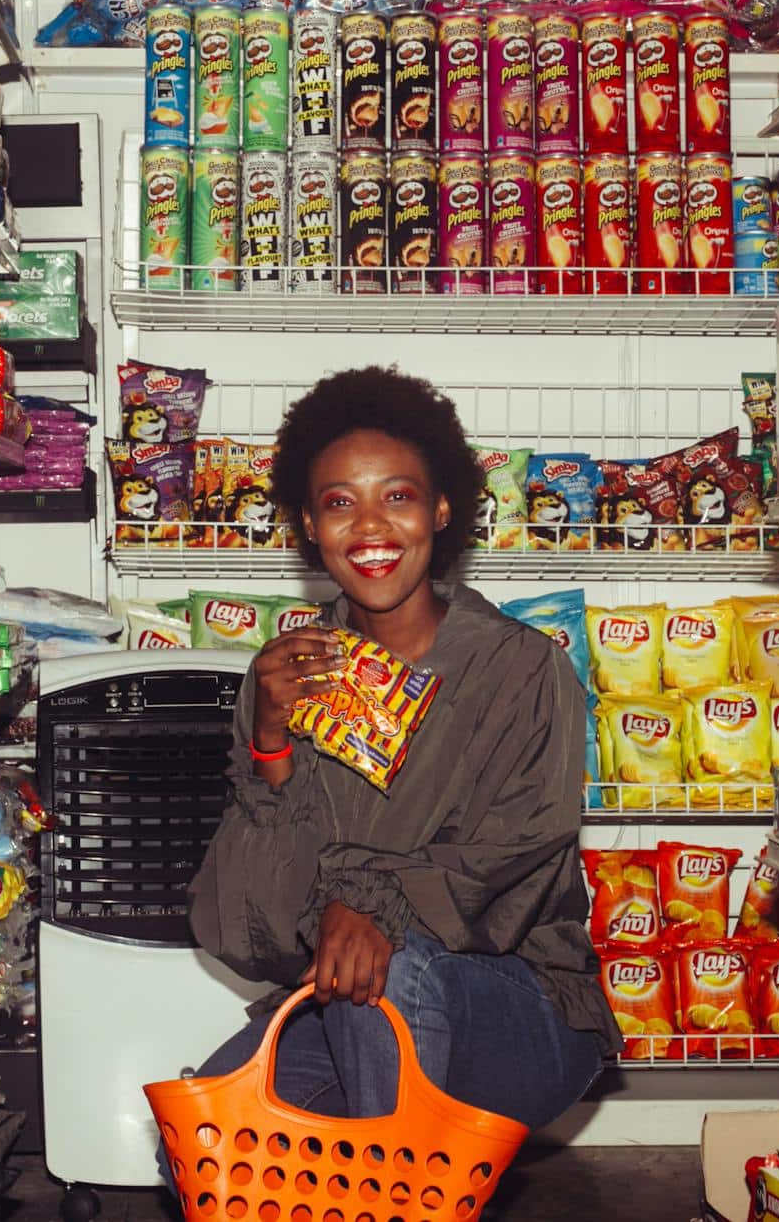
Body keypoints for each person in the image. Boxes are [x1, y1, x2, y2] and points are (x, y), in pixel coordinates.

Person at [183, 366, 620, 1141]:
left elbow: (511, 859)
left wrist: (372, 904)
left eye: (399, 495)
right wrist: (272, 743)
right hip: (352, 1005)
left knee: (380, 980)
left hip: (524, 1012)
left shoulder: (520, 668)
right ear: (310, 527)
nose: (371, 528)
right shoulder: (287, 676)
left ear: (442, 507)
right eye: (340, 503)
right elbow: (253, 932)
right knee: (207, 1133)